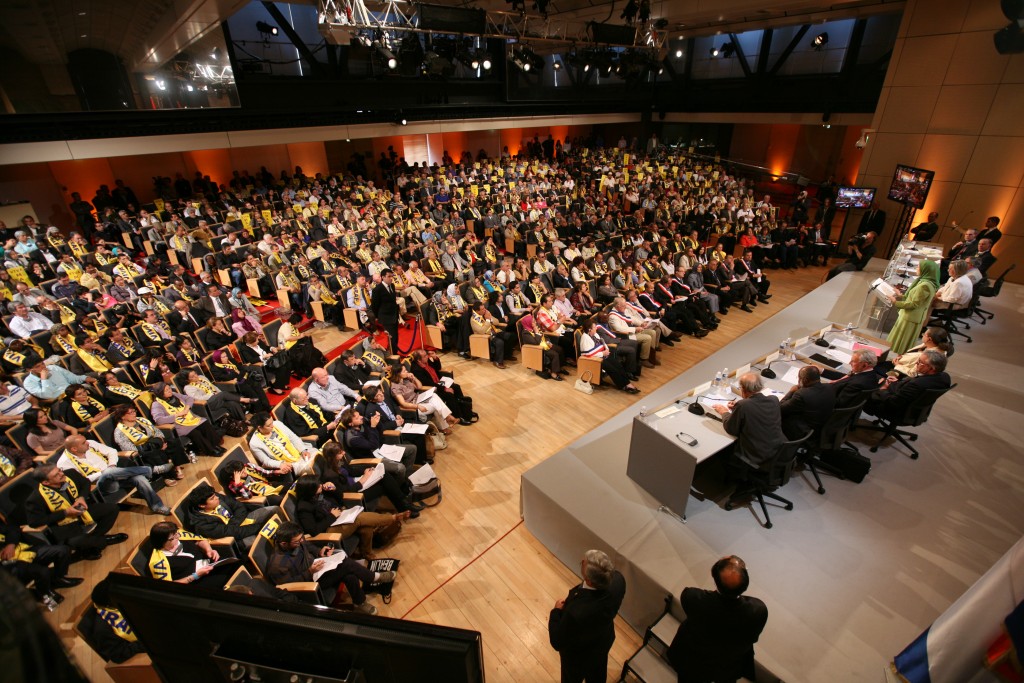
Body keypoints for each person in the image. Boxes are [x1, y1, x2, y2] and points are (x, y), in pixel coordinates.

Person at [666, 555, 768, 683]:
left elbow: (690, 595)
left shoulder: (693, 598)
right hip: (728, 666)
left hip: (692, 661)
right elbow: (753, 637)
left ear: (714, 578)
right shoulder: (758, 610)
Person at [266, 520, 394, 615]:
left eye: (301, 538)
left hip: (317, 568)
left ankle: (359, 603)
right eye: (297, 541)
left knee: (349, 574)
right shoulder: (277, 565)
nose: (301, 542)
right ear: (284, 544)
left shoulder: (297, 541)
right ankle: (373, 577)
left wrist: (319, 551)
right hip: (309, 585)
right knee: (347, 565)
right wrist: (309, 572)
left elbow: (307, 546)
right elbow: (288, 587)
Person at [548, 549, 627, 683]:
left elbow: (557, 641)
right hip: (602, 642)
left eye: (582, 564)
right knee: (598, 675)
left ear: (589, 581)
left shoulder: (576, 612)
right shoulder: (619, 581)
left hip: (579, 657)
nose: (582, 562)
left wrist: (555, 612)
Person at [292, 472, 408, 560]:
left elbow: (340, 498)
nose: (321, 486)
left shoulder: (320, 493)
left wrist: (333, 489)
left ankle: (366, 553)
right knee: (358, 519)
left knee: (365, 526)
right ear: (310, 490)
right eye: (318, 486)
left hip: (339, 517)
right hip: (328, 530)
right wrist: (332, 516)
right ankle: (392, 518)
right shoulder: (303, 508)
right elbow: (313, 530)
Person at [26, 464, 127, 561]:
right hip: (63, 523)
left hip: (82, 511)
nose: (61, 474)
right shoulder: (36, 498)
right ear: (46, 482)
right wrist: (65, 512)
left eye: (59, 470)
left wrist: (81, 497)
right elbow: (35, 522)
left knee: (112, 509)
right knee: (80, 541)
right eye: (56, 475)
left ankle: (94, 540)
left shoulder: (70, 474)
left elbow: (86, 482)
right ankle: (102, 541)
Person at [56, 434, 174, 515]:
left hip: (118, 474)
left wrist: (112, 465)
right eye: (83, 443)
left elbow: (111, 451)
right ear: (74, 449)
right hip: (100, 485)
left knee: (139, 478)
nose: (87, 442)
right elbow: (81, 481)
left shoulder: (90, 443)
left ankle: (157, 506)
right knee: (107, 472)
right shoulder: (64, 463)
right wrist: (103, 472)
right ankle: (152, 470)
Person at [0, 515, 81, 610]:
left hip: (24, 551)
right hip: (8, 566)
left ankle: (58, 579)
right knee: (42, 571)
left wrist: (10, 545)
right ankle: (46, 596)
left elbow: (13, 529)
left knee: (63, 550)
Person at [713, 372, 787, 471]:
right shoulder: (773, 399)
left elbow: (731, 429)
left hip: (757, 456)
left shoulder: (744, 405)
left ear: (743, 389)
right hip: (777, 451)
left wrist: (724, 412)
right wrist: (737, 407)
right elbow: (757, 411)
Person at [140, 521, 235, 588]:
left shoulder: (178, 534)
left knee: (236, 565)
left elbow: (199, 540)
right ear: (163, 541)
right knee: (229, 579)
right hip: (196, 580)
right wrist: (195, 576)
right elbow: (169, 587)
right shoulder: (158, 562)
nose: (178, 536)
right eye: (174, 537)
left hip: (209, 563)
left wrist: (209, 549)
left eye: (177, 534)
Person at [865, 349, 951, 419]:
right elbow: (908, 393)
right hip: (915, 411)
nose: (916, 364)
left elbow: (892, 403)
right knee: (875, 377)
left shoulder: (917, 384)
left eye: (920, 362)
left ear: (932, 368)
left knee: (863, 386)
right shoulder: (945, 378)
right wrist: (895, 383)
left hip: (894, 411)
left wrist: (883, 389)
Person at [184, 482, 277, 547]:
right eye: (212, 498)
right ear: (202, 505)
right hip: (235, 539)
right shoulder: (201, 524)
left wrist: (234, 522)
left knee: (274, 510)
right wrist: (262, 526)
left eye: (215, 495)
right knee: (266, 537)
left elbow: (239, 506)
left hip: (240, 520)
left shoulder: (215, 496)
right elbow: (234, 532)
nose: (217, 498)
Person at [77, 578, 147, 664]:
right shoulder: (103, 629)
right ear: (111, 603)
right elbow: (117, 655)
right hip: (141, 653)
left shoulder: (120, 604)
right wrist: (145, 643)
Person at [149, 381, 223, 457]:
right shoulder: (156, 405)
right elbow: (159, 420)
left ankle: (216, 445)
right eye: (166, 390)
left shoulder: (174, 395)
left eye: (169, 388)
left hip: (190, 419)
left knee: (205, 424)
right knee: (195, 433)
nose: (170, 391)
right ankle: (210, 450)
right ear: (160, 393)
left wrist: (187, 408)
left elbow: (189, 398)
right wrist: (177, 415)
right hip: (179, 425)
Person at [885, 260, 939, 355]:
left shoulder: (924, 286)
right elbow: (913, 298)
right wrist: (900, 295)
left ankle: (898, 358)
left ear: (925, 269)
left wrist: (895, 302)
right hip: (909, 316)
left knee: (901, 342)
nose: (916, 268)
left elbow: (913, 304)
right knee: (898, 341)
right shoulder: (924, 281)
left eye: (918, 267)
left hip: (910, 318)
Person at [248, 412, 318, 477]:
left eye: (272, 422)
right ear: (259, 427)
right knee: (312, 467)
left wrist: (303, 450)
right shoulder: (255, 443)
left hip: (300, 453)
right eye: (269, 425)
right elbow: (266, 461)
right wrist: (280, 464)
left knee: (319, 457)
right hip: (290, 463)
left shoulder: (277, 424)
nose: (272, 426)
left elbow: (293, 437)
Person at [779, 366, 835, 440]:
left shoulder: (801, 394)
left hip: (805, 431)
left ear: (805, 380)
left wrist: (791, 392)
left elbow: (780, 408)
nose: (798, 381)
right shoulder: (829, 387)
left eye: (799, 378)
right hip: (823, 426)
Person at [371, 269, 402, 353]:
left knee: (395, 336)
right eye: (389, 276)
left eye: (392, 276)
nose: (391, 278)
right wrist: (378, 317)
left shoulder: (392, 285)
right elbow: (374, 305)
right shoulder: (377, 290)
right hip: (386, 317)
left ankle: (392, 351)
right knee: (392, 337)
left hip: (394, 315)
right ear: (383, 277)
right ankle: (394, 354)